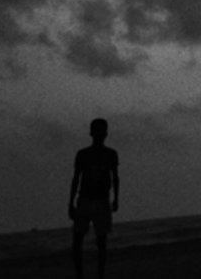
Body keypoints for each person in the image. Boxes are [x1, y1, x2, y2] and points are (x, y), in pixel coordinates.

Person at [69, 118, 119, 279]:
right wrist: (70, 203)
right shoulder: (83, 154)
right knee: (79, 239)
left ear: (105, 134)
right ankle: (81, 275)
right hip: (85, 199)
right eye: (97, 131)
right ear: (92, 133)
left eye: (101, 131)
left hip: (101, 199)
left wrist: (116, 198)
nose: (99, 134)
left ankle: (99, 275)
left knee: (100, 241)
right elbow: (76, 179)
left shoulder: (110, 154)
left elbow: (115, 178)